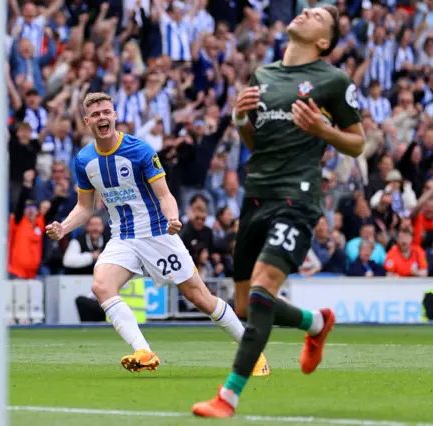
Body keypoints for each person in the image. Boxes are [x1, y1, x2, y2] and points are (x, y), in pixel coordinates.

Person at [193, 5, 365, 417]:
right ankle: (316, 323)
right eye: (307, 8)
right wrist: (239, 120)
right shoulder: (264, 76)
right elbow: (257, 145)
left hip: (298, 198)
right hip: (255, 197)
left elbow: (358, 142)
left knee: (263, 287)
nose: (306, 10)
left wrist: (323, 130)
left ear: (324, 41)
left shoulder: (333, 80)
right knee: (245, 306)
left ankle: (228, 397)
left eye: (319, 14)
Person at [45, 92, 269, 376]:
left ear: (115, 115)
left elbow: (165, 194)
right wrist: (63, 227)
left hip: (157, 235)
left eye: (107, 112)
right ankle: (143, 350)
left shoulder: (140, 150)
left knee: (201, 298)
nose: (103, 117)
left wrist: (173, 218)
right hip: (123, 238)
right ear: (88, 121)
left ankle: (253, 352)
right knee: (101, 286)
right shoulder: (84, 160)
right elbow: (84, 207)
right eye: (96, 114)